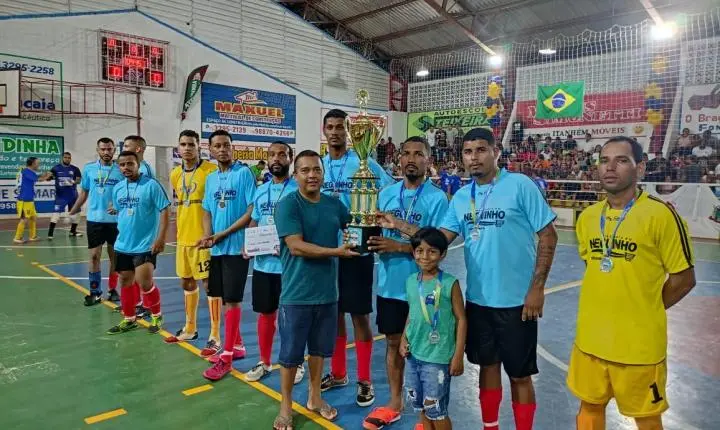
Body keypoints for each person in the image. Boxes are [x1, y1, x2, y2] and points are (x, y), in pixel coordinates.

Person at [379, 127, 558, 430]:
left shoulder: (520, 185)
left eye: (481, 150)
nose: (474, 158)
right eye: (467, 152)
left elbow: (548, 236)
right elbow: (437, 240)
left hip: (518, 302)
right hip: (478, 301)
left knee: (520, 375)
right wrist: (398, 224)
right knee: (487, 367)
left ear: (495, 152)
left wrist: (537, 288)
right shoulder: (463, 197)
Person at [568, 136, 696, 430]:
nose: (610, 167)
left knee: (647, 419)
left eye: (621, 160)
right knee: (589, 411)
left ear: (640, 168)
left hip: (638, 348)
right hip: (590, 342)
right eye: (604, 160)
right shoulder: (587, 218)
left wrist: (646, 306)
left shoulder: (661, 216)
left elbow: (684, 279)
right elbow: (595, 268)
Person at [363, 136, 449, 430]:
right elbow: (373, 232)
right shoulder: (386, 194)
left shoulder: (437, 198)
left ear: (428, 160)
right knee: (392, 343)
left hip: (424, 288)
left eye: (418, 154)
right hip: (390, 286)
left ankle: (425, 416)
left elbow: (437, 244)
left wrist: (398, 245)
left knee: (423, 350)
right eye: (406, 153)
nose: (411, 159)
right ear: (398, 158)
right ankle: (395, 403)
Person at [273, 149, 359, 430]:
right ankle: (286, 405)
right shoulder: (288, 205)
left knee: (319, 351)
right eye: (305, 170)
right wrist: (336, 251)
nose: (312, 175)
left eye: (317, 170)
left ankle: (314, 397)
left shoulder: (334, 204)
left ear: (323, 173)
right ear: (295, 174)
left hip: (327, 294)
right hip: (296, 295)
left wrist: (375, 220)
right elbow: (295, 246)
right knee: (290, 356)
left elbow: (355, 225)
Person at [320, 108, 394, 407]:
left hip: (356, 249)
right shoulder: (320, 165)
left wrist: (379, 222)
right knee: (334, 314)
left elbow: (389, 192)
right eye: (330, 127)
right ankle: (338, 373)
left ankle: (365, 380)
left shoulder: (365, 163)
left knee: (359, 315)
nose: (335, 132)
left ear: (349, 132)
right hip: (326, 251)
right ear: (324, 131)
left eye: (340, 127)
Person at [243, 141, 305, 383]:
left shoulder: (298, 190)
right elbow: (255, 219)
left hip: (290, 266)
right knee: (265, 314)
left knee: (292, 316)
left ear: (290, 159)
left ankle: (296, 362)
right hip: (263, 265)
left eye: (282, 154)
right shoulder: (261, 190)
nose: (276, 158)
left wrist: (290, 244)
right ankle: (264, 361)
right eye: (272, 155)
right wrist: (248, 243)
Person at [199, 129, 257, 380]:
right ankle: (238, 346)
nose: (222, 149)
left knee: (233, 301)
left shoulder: (244, 174)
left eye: (226, 145)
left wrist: (224, 233)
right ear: (210, 150)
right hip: (218, 248)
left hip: (236, 248)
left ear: (232, 148)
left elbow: (252, 210)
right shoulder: (211, 178)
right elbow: (206, 210)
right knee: (224, 299)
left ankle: (227, 358)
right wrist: (208, 235)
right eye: (218, 146)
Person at [400, 227, 466, 430]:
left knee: (436, 409)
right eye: (419, 251)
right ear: (413, 253)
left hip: (438, 358)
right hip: (414, 355)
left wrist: (458, 355)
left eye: (432, 251)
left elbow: (461, 319)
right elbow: (412, 313)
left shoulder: (450, 283)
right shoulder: (411, 281)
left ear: (443, 254)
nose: (425, 256)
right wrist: (403, 339)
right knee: (421, 406)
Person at [164, 130, 218, 346]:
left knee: (210, 285)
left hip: (204, 238)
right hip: (183, 238)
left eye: (191, 144)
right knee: (186, 282)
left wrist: (211, 234)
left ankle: (215, 334)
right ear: (178, 147)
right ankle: (190, 328)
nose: (187, 148)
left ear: (199, 147)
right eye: (183, 144)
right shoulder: (175, 174)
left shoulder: (211, 171)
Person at [106, 151, 170, 335]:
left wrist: (161, 238)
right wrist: (114, 209)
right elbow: (121, 209)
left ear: (138, 165)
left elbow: (165, 210)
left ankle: (157, 315)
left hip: (145, 245)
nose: (126, 167)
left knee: (144, 283)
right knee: (125, 281)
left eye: (130, 164)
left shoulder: (151, 185)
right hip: (123, 244)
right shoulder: (118, 188)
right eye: (122, 164)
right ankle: (129, 319)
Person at [70, 138, 125, 305]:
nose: (106, 152)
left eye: (109, 149)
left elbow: (126, 193)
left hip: (115, 220)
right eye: (103, 149)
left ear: (114, 150)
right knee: (94, 256)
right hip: (94, 220)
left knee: (114, 257)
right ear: (98, 150)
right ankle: (95, 292)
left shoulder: (120, 170)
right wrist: (74, 209)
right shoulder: (89, 169)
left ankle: (112, 289)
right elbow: (84, 192)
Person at [14, 157, 52, 244]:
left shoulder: (28, 172)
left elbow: (37, 177)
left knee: (33, 217)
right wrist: (47, 176)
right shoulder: (27, 171)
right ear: (32, 164)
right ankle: (17, 237)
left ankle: (32, 236)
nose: (39, 165)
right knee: (24, 219)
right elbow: (39, 179)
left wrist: (45, 175)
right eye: (37, 163)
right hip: (24, 199)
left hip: (29, 199)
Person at [48, 152, 83, 239]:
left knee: (77, 213)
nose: (67, 159)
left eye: (69, 158)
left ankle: (73, 231)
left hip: (73, 195)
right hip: (61, 196)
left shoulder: (75, 169)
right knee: (56, 214)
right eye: (65, 157)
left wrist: (72, 181)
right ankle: (50, 234)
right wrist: (48, 177)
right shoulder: (56, 168)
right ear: (62, 158)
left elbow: (79, 180)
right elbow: (49, 176)